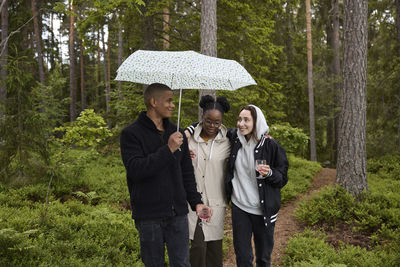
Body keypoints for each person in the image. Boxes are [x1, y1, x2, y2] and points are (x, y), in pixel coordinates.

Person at [120, 83, 212, 267]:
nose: (172, 105)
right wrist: (168, 149)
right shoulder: (131, 134)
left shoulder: (176, 133)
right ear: (154, 102)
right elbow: (136, 170)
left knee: (182, 264)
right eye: (168, 101)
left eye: (172, 101)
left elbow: (186, 172)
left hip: (177, 214)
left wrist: (196, 202)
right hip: (148, 216)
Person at [226, 104, 289, 267]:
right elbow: (212, 126)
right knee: (243, 257)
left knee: (263, 258)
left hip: (263, 211)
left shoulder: (271, 146)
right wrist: (190, 132)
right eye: (239, 119)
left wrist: (269, 173)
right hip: (240, 207)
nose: (241, 123)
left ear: (257, 122)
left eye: (246, 120)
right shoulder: (234, 139)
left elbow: (282, 178)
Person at [185, 95, 231, 267]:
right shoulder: (188, 139)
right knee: (197, 248)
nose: (212, 126)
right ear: (202, 118)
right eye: (208, 121)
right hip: (193, 203)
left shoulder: (228, 141)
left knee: (214, 251)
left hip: (216, 203)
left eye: (217, 122)